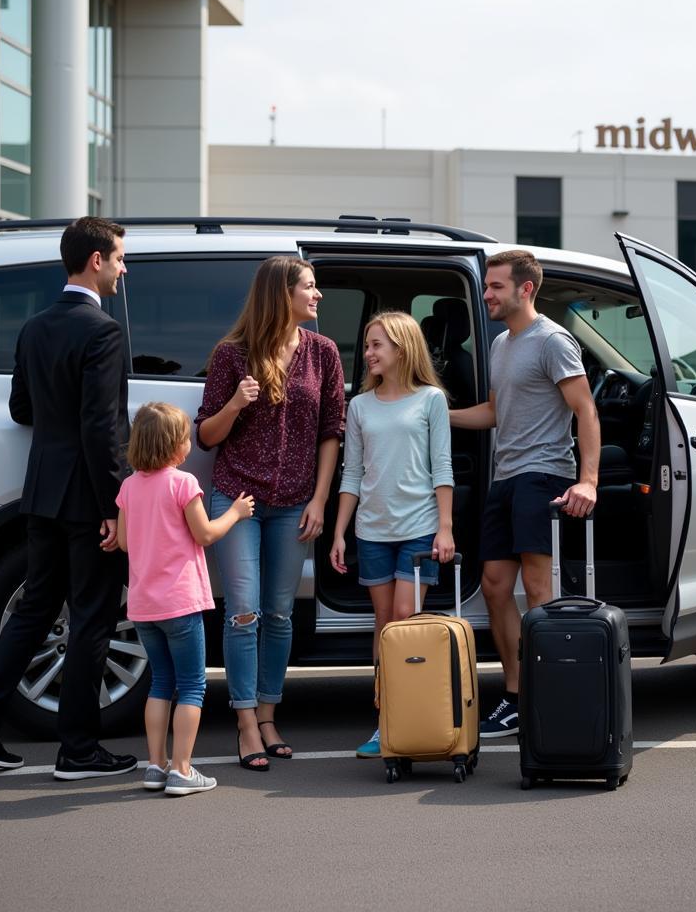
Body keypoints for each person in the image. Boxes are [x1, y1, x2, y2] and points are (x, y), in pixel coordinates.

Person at [0, 216, 137, 779]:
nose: (125, 268)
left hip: (42, 494)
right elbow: (103, 429)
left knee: (33, 612)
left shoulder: (35, 327)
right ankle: (78, 750)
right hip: (87, 502)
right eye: (121, 257)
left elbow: (21, 410)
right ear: (96, 260)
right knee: (92, 618)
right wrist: (115, 507)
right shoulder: (103, 332)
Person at [196, 256, 344, 771]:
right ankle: (242, 722)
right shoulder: (231, 355)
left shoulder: (323, 353)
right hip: (240, 499)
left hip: (296, 502)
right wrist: (235, 403)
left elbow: (332, 431)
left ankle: (266, 715)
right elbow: (206, 436)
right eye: (310, 286)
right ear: (281, 294)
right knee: (243, 611)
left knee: (280, 615)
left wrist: (320, 499)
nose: (318, 294)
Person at [449, 249, 600, 738]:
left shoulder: (552, 341)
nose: (487, 295)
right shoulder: (501, 345)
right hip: (506, 477)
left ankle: (546, 694)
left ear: (525, 289)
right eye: (488, 286)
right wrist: (435, 414)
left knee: (538, 589)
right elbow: (495, 411)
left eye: (495, 287)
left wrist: (589, 480)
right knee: (494, 586)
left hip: (544, 476)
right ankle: (516, 693)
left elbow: (587, 412)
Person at [330, 311, 455, 758]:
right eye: (366, 346)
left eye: (376, 345)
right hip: (372, 529)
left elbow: (443, 466)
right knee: (384, 627)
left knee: (405, 621)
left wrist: (445, 527)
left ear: (402, 348)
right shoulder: (360, 406)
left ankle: (406, 719)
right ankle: (386, 720)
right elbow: (352, 474)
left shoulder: (431, 400)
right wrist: (340, 532)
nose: (368, 354)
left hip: (420, 526)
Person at [116, 402, 254, 796]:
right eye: (185, 437)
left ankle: (155, 766)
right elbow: (206, 534)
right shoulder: (183, 484)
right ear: (174, 446)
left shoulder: (128, 487)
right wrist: (237, 513)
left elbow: (125, 542)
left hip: (143, 607)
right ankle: (182, 769)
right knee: (193, 685)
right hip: (181, 604)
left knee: (161, 682)